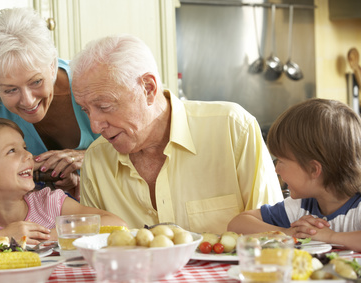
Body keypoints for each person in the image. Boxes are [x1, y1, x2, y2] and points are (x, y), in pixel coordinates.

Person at [69, 34, 283, 233]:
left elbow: (272, 236)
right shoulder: (97, 159)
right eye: (86, 110)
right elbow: (97, 253)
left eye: (105, 106)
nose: (95, 127)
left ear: (148, 89)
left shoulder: (233, 128)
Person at [0, 8, 99, 199]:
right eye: (10, 90)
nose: (28, 101)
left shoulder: (92, 81)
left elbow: (140, 146)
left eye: (36, 81)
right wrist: (28, 167)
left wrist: (91, 157)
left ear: (52, 66)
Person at [0, 118, 127, 245]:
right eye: (12, 151)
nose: (28, 155)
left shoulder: (49, 202)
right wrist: (3, 236)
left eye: (25, 147)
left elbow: (116, 223)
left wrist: (46, 235)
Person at [227, 98, 361, 252]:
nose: (276, 170)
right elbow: (237, 224)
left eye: (281, 161)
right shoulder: (301, 207)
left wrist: (329, 236)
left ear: (313, 169)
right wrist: (287, 233)